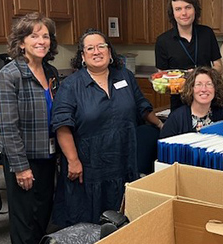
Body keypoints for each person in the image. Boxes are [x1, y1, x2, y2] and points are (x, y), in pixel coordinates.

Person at [51, 29, 163, 227]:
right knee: (89, 221)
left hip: (123, 159)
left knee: (121, 219)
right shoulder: (71, 86)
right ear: (83, 56)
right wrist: (73, 160)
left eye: (101, 46)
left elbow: (142, 106)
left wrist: (161, 124)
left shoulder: (125, 76)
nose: (97, 51)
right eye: (90, 48)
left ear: (110, 52)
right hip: (89, 166)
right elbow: (62, 126)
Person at [0, 12, 59, 244]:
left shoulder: (50, 72)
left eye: (46, 36)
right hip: (23, 157)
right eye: (34, 36)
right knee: (24, 218)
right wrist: (21, 168)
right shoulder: (9, 75)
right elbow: (9, 128)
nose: (41, 41)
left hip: (47, 153)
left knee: (43, 212)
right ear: (21, 42)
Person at [155, 0, 222, 111]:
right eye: (178, 9)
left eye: (188, 7)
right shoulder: (163, 41)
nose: (184, 13)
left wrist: (201, 76)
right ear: (173, 13)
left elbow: (218, 66)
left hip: (209, 100)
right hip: (180, 104)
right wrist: (183, 80)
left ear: (195, 10)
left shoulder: (207, 33)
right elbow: (162, 77)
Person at [160, 66, 223, 139]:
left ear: (216, 89)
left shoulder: (220, 113)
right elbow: (165, 147)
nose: (204, 89)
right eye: (198, 84)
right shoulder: (176, 117)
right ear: (191, 89)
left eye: (209, 84)